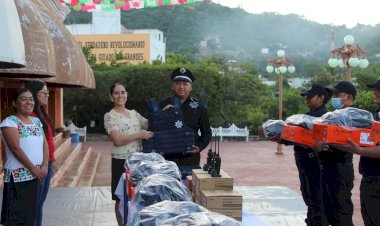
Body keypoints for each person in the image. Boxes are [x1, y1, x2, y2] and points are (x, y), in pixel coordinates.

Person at [331, 78, 380, 225]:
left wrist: (358, 150)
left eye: (378, 89)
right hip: (370, 176)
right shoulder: (375, 116)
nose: (375, 92)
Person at [104, 82, 153, 226]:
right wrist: (139, 135)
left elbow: (149, 124)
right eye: (116, 93)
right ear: (111, 96)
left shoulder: (134, 113)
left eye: (123, 92)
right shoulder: (110, 116)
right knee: (120, 197)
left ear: (127, 95)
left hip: (137, 161)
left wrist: (163, 112)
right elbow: (117, 140)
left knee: (136, 195)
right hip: (121, 161)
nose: (120, 95)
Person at [0, 88, 48, 225]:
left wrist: (44, 166)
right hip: (18, 178)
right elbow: (15, 148)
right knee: (17, 219)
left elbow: (44, 143)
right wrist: (33, 168)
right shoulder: (10, 122)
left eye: (31, 99)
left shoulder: (36, 121)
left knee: (30, 217)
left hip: (36, 176)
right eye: (24, 99)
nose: (29, 102)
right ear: (14, 103)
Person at [316, 81, 356, 226]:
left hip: (341, 167)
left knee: (341, 211)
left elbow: (347, 145)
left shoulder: (354, 116)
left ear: (349, 97)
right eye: (332, 95)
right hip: (327, 166)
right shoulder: (332, 116)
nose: (334, 98)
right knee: (329, 210)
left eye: (337, 95)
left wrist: (326, 145)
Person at [160, 67, 212, 177]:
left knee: (190, 192)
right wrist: (162, 115)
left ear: (190, 87)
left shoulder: (199, 108)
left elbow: (207, 133)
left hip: (191, 160)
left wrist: (199, 147)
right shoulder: (162, 105)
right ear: (173, 86)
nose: (181, 87)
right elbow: (153, 129)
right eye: (178, 83)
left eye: (185, 83)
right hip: (167, 160)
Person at [295, 84, 330, 225]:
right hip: (305, 163)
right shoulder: (307, 116)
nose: (307, 100)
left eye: (310, 97)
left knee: (316, 200)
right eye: (306, 97)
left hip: (315, 164)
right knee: (309, 198)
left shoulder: (323, 117)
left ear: (321, 98)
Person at [26, 80, 55, 226]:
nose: (47, 95)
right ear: (33, 94)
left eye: (47, 93)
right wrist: (43, 165)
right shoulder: (31, 116)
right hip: (40, 165)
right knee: (35, 204)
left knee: (39, 203)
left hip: (48, 162)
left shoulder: (41, 113)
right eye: (44, 93)